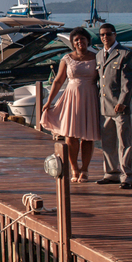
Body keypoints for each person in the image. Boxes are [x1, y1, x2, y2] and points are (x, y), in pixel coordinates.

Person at [40, 27, 101, 183]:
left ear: (88, 40)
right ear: (73, 43)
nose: (80, 42)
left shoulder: (97, 57)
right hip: (72, 97)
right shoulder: (67, 58)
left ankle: (85, 169)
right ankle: (74, 168)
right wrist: (49, 101)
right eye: (76, 40)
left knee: (88, 136)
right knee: (71, 136)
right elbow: (58, 81)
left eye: (82, 39)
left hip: (90, 97)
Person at [95, 22, 132, 189]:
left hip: (120, 107)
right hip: (104, 106)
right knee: (107, 143)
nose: (105, 37)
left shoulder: (125, 54)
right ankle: (111, 173)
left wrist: (122, 102)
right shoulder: (99, 55)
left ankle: (127, 176)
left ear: (115, 35)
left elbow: (129, 82)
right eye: (102, 35)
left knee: (124, 143)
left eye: (108, 34)